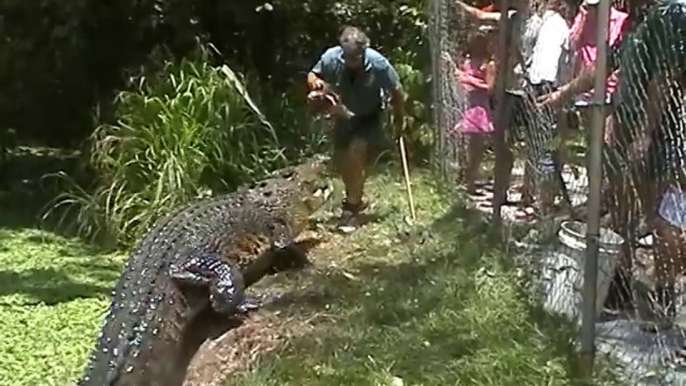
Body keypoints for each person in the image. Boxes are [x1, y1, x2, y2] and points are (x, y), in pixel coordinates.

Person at [306, 26, 406, 225]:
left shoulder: (379, 64)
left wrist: (399, 119)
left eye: (356, 57)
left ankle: (352, 206)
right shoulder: (331, 57)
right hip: (343, 114)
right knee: (344, 162)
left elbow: (397, 91)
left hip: (369, 115)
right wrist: (315, 83)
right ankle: (355, 197)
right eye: (348, 57)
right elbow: (312, 74)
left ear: (364, 51)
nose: (352, 62)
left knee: (356, 153)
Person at [455, 31, 497, 195]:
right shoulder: (467, 61)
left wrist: (468, 79)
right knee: (467, 147)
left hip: (480, 108)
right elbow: (461, 79)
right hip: (467, 105)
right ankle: (466, 177)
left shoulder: (489, 64)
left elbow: (489, 88)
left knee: (477, 148)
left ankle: (471, 180)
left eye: (480, 42)